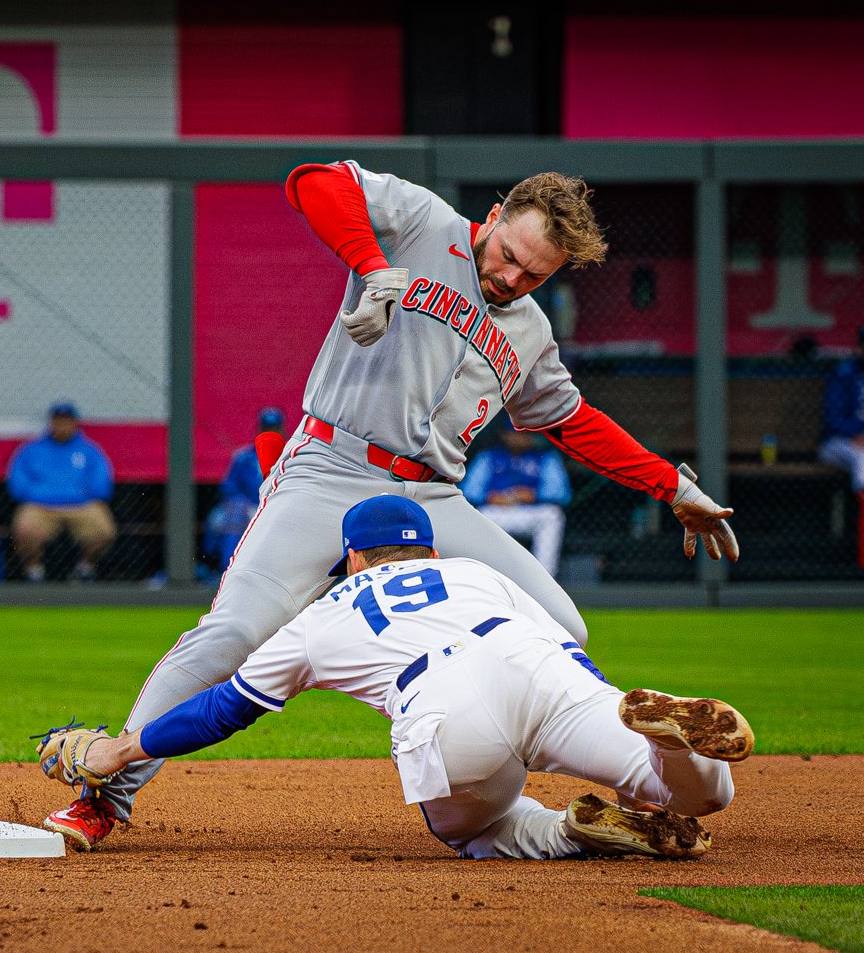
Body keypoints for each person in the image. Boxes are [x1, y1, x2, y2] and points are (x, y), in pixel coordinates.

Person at [43, 161, 740, 848]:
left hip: (433, 496)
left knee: (561, 626)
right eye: (508, 257)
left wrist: (671, 486)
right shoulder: (422, 221)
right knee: (234, 633)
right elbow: (312, 182)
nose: (510, 278)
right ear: (492, 218)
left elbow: (569, 419)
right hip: (331, 467)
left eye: (535, 274)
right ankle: (105, 796)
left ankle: (635, 779)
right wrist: (373, 266)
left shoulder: (528, 330)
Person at [38, 495, 753, 859]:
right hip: (547, 673)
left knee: (480, 831)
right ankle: (663, 746)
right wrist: (598, 706)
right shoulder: (472, 571)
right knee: (704, 792)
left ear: (351, 560)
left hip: (449, 713)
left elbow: (224, 708)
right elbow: (565, 648)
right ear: (430, 550)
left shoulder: (319, 618)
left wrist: (121, 751)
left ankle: (571, 831)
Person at [6, 402, 116, 583]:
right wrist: (43, 494)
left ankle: (84, 568)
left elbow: (102, 484)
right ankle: (34, 571)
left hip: (82, 505)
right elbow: (17, 484)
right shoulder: (32, 450)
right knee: (24, 528)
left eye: (67, 421)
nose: (62, 426)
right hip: (41, 506)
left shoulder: (89, 450)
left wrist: (79, 494)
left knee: (104, 531)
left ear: (75, 423)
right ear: (50, 423)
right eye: (58, 421)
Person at [459, 419, 571, 577]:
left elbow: (561, 493)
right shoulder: (489, 457)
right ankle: (487, 575)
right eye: (514, 434)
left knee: (553, 515)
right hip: (497, 513)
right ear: (505, 435)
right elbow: (468, 490)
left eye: (523, 434)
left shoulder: (545, 457)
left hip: (530, 513)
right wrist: (490, 497)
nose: (518, 438)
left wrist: (534, 495)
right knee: (482, 513)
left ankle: (545, 577)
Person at [202, 408, 286, 574]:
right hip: (246, 509)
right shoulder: (243, 457)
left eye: (275, 429)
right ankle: (227, 571)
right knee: (223, 518)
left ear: (282, 430)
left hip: (277, 507)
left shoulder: (289, 456)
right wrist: (246, 506)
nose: (271, 432)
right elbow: (229, 488)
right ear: (259, 430)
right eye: (267, 428)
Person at [819, 323, 864, 491]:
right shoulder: (844, 374)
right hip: (840, 442)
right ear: (860, 349)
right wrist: (854, 433)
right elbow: (833, 418)